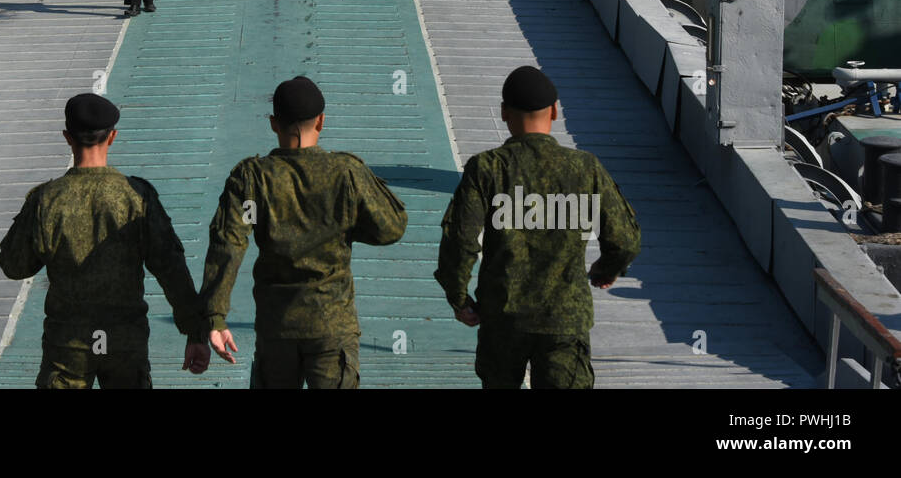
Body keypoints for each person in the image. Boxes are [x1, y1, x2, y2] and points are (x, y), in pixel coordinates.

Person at [435, 66, 641, 389]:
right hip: (564, 321)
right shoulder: (585, 168)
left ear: (504, 113)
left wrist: (459, 298)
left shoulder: (487, 168)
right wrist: (605, 269)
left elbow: (460, 241)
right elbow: (625, 240)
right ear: (555, 111)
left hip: (503, 319)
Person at [200, 76, 407, 388]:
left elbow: (229, 243)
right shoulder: (345, 172)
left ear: (273, 123)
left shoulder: (252, 178)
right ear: (321, 121)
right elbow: (391, 227)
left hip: (277, 327)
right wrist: (345, 224)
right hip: (331, 325)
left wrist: (215, 318)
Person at [0, 93, 210, 388]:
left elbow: (13, 266)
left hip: (67, 347)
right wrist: (195, 333)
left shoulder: (46, 200)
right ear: (112, 137)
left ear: (67, 138)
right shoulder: (136, 196)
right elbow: (171, 268)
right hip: (125, 342)